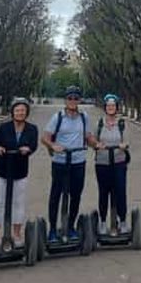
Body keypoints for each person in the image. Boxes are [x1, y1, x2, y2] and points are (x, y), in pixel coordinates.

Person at [41, 85, 97, 241]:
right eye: (70, 98)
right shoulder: (57, 117)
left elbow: (88, 137)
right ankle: (53, 229)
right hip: (60, 161)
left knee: (76, 195)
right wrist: (53, 145)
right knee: (56, 194)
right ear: (65, 100)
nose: (72, 101)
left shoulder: (84, 117)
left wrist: (96, 144)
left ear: (79, 100)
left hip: (78, 161)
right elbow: (45, 137)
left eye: (75, 98)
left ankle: (71, 226)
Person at [0, 97, 39, 249]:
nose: (20, 113)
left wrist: (28, 149)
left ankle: (16, 235)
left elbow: (33, 145)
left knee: (18, 203)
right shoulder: (3, 127)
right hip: (1, 170)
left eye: (23, 110)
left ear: (26, 112)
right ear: (12, 112)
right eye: (17, 110)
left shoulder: (32, 129)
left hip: (19, 171)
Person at [94, 93, 129, 235]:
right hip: (102, 162)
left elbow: (127, 140)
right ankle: (103, 222)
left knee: (120, 192)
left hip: (119, 161)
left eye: (113, 105)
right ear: (105, 107)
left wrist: (124, 145)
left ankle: (122, 221)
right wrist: (96, 145)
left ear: (116, 107)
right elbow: (93, 140)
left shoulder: (121, 124)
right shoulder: (99, 123)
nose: (110, 108)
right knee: (103, 192)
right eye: (108, 106)